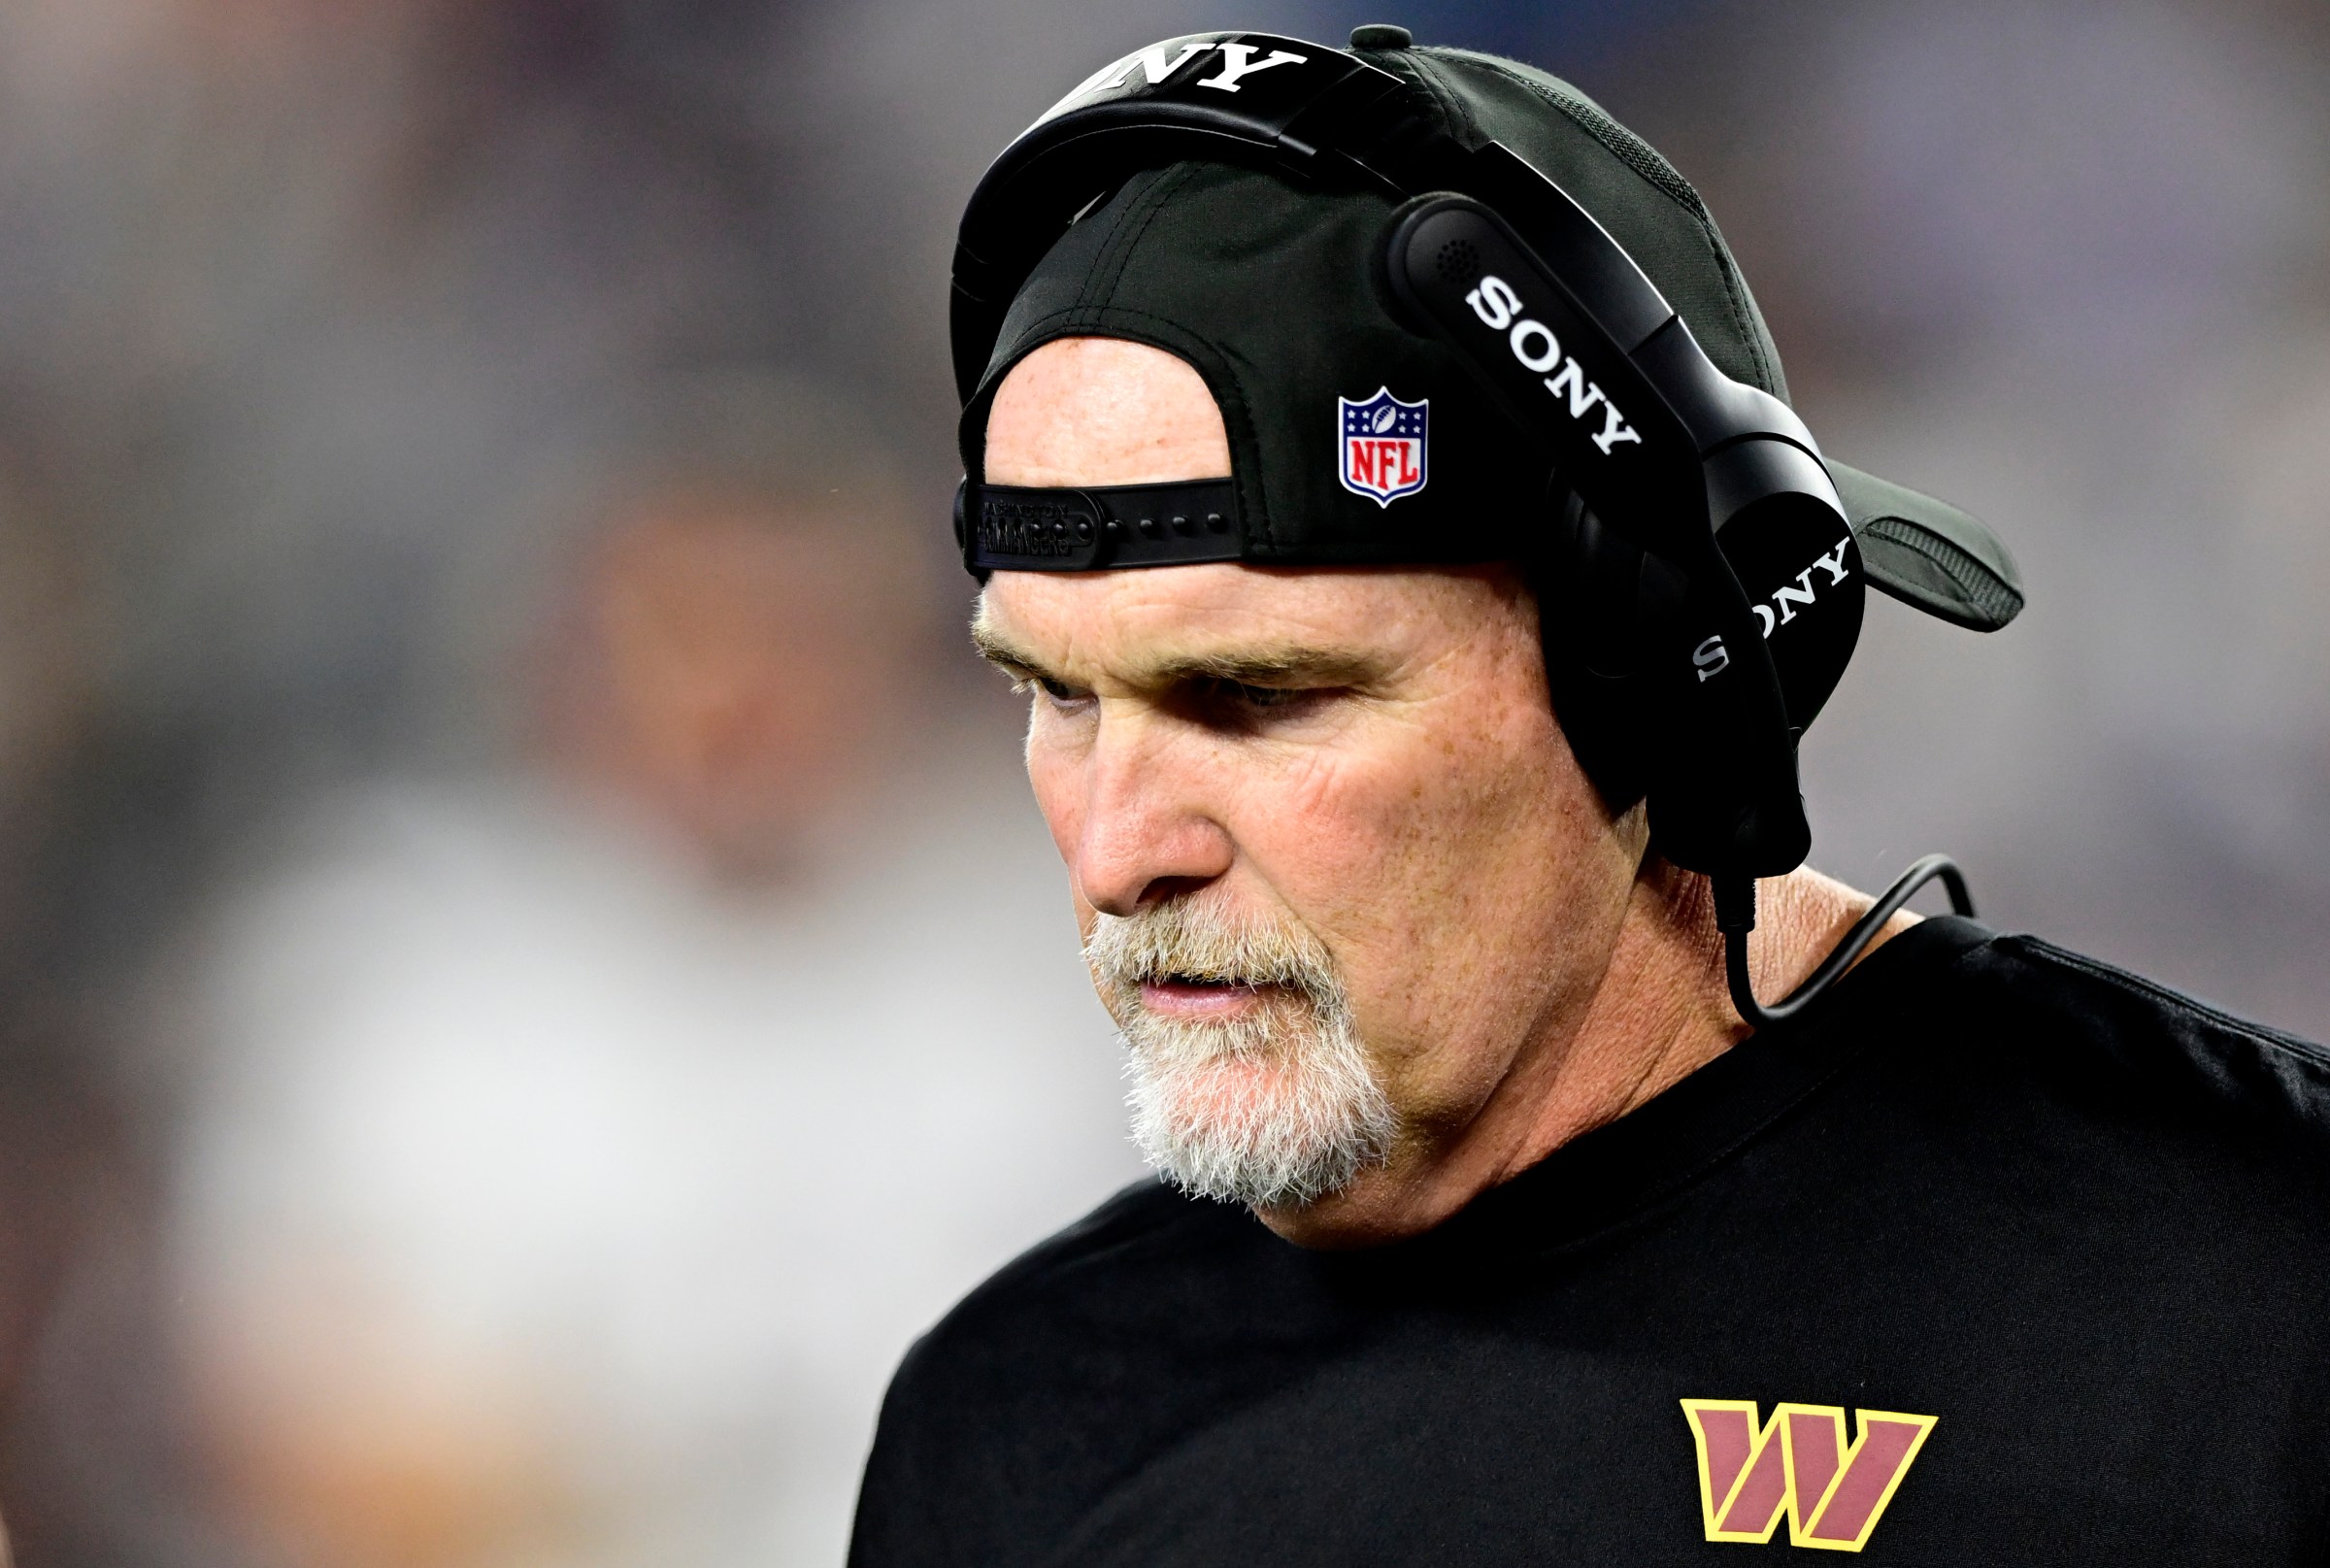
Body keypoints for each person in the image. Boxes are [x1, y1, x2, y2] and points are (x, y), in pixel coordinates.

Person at [849, 26, 2330, 1565]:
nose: (1116, 851)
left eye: (1261, 696)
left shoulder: (2265, 1314)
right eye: (1059, 696)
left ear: (1666, 671)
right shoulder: (1015, 1427)